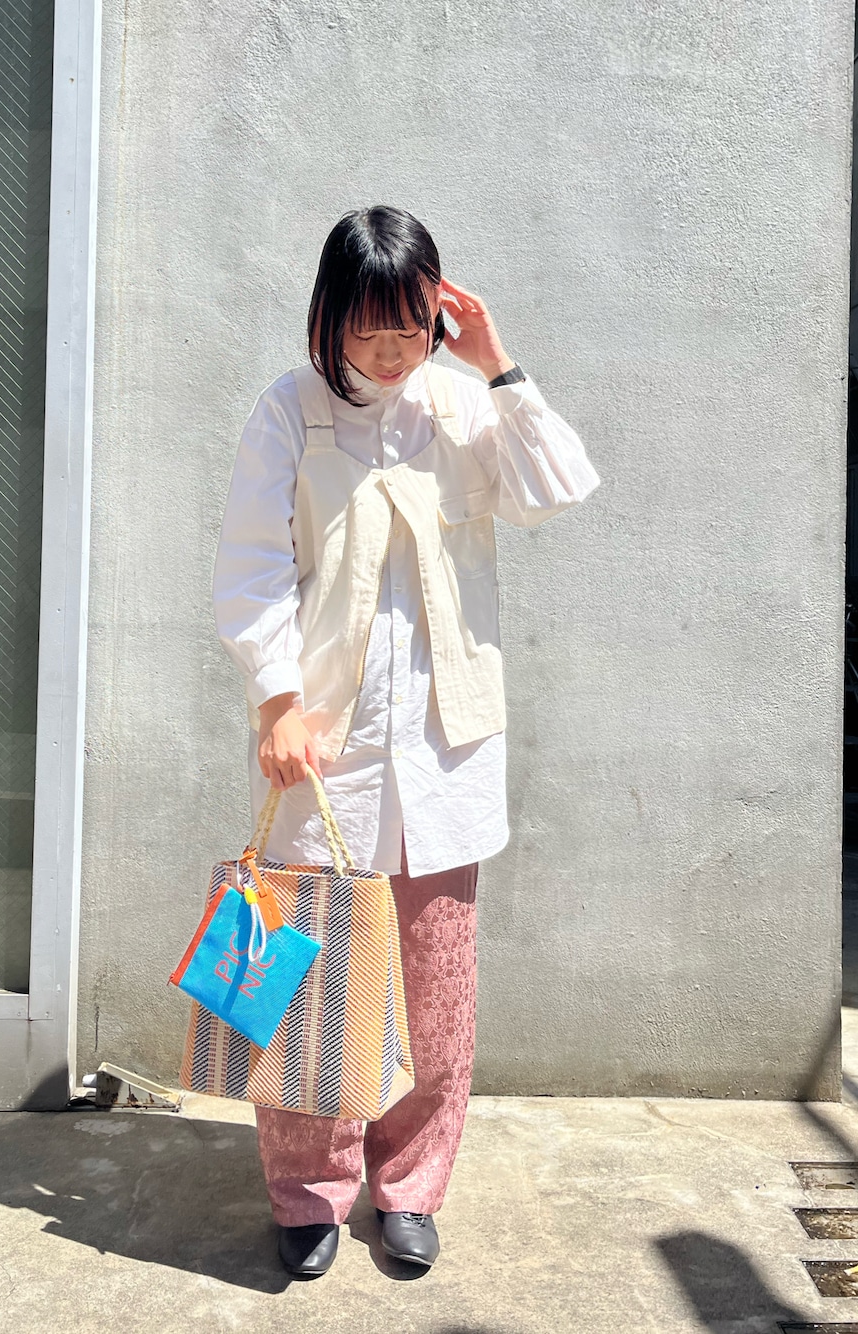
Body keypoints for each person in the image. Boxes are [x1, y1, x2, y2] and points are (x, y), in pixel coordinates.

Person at [209, 205, 600, 1276]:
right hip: (322, 749)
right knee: (305, 984)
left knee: (437, 986)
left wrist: (498, 364)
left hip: (443, 746)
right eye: (368, 328)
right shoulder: (288, 412)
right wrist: (277, 702)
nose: (389, 351)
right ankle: (307, 1193)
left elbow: (556, 488)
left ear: (436, 317)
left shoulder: (460, 404)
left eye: (409, 327)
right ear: (329, 317)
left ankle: (411, 1185)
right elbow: (251, 567)